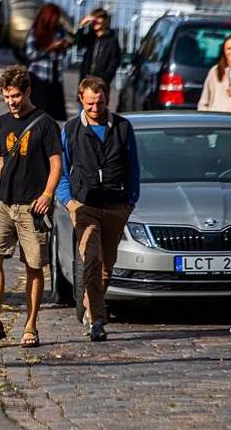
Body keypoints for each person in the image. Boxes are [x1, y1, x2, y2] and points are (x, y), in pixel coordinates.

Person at [0, 66, 62, 349]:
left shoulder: (45, 123)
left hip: (32, 208)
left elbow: (56, 163)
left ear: (27, 92)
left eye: (15, 96)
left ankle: (30, 325)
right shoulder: (2, 123)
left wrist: (48, 194)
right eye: (6, 96)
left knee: (34, 266)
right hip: (2, 203)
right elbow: (0, 162)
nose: (11, 102)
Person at [55, 76, 140, 341]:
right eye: (90, 103)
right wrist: (69, 202)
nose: (95, 108)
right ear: (81, 99)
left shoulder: (123, 128)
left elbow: (133, 167)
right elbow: (60, 171)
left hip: (116, 206)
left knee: (106, 265)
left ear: (107, 99)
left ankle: (92, 309)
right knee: (90, 260)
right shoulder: (70, 130)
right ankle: (98, 322)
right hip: (85, 207)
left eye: (100, 102)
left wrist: (130, 201)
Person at [25, 2, 71, 121]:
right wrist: (48, 49)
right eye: (54, 18)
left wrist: (63, 46)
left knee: (56, 114)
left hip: (55, 75)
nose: (56, 20)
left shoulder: (60, 31)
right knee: (40, 111)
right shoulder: (35, 32)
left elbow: (64, 52)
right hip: (39, 76)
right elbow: (30, 55)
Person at [74, 8, 122, 86]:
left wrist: (105, 78)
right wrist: (81, 25)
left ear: (105, 21)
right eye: (94, 19)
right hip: (85, 79)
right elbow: (78, 43)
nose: (96, 21)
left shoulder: (112, 41)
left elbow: (115, 62)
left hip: (101, 82)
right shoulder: (91, 37)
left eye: (99, 18)